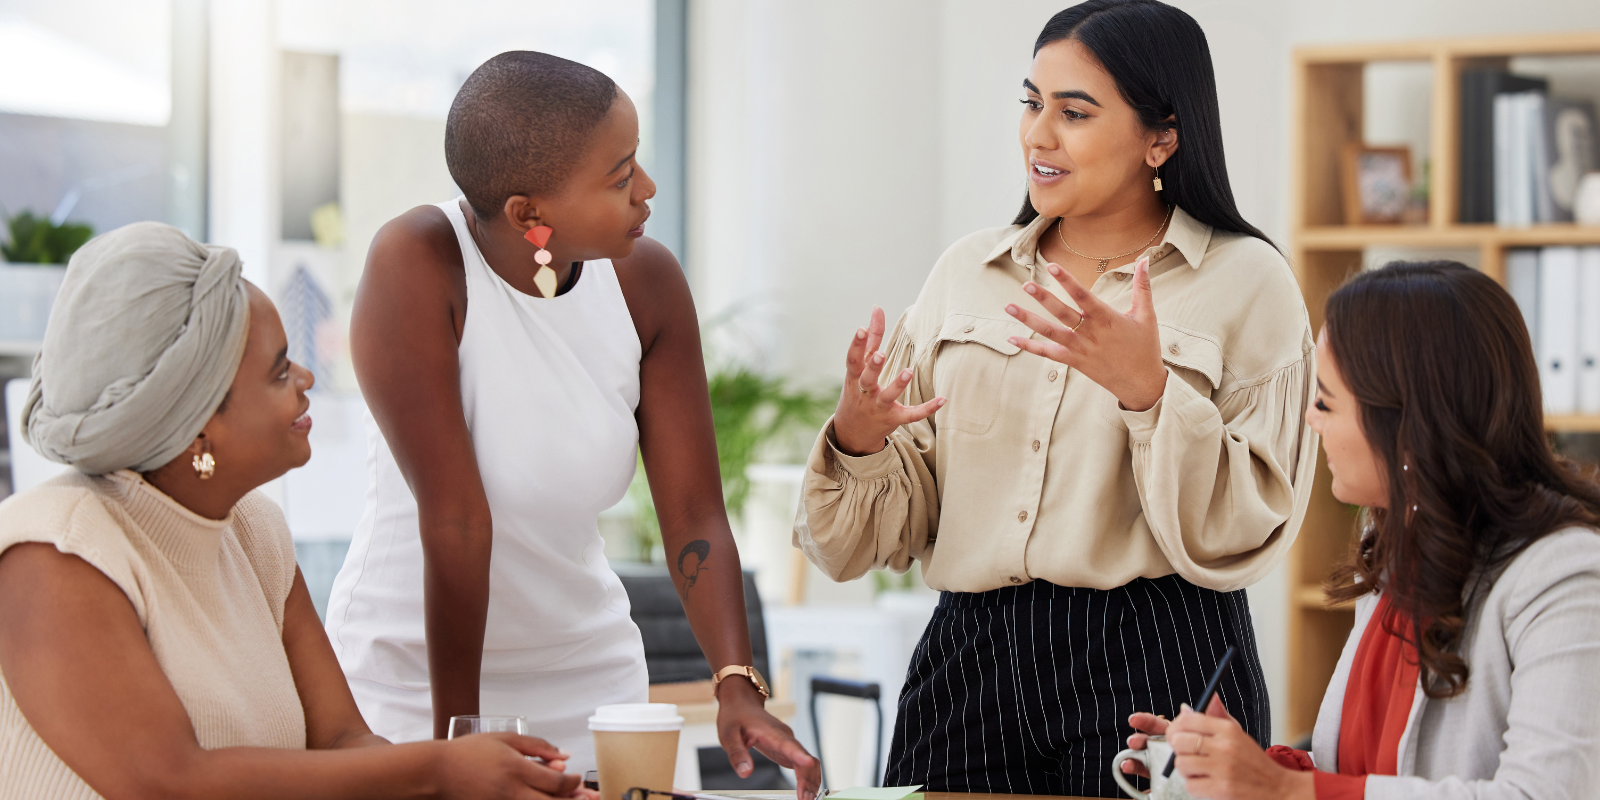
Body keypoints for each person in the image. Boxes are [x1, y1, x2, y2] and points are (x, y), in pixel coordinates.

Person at [793, 1, 1317, 796]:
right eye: (1032, 103)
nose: (1039, 134)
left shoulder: (1246, 282)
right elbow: (871, 541)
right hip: (969, 659)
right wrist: (859, 440)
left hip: (1159, 652)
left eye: (1073, 112)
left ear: (1162, 136)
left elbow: (1247, 527)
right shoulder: (967, 273)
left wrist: (1149, 392)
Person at [322, 51, 818, 793]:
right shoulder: (420, 262)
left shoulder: (646, 282)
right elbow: (456, 519)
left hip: (592, 684)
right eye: (621, 177)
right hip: (413, 685)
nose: (646, 190)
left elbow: (692, 513)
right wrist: (456, 744)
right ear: (530, 213)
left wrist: (735, 684)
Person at [0, 222, 589, 799]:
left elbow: (341, 739)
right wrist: (439, 770)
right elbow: (170, 780)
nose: (306, 379)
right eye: (280, 370)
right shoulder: (54, 553)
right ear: (199, 427)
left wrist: (475, 784)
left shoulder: (255, 530)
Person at [1121, 261, 1600, 799]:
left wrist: (1284, 790)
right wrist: (1248, 769)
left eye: (1325, 399)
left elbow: (1547, 793)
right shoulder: (1400, 541)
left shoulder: (1565, 575)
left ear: (1406, 423)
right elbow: (1367, 772)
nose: (1310, 419)